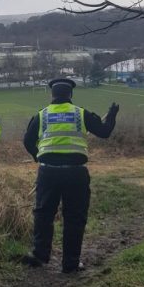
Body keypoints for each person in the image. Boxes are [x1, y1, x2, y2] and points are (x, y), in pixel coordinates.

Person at [22, 78, 119, 273]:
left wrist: (37, 156)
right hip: (76, 174)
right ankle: (70, 263)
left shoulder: (42, 115)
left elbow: (27, 141)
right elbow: (105, 132)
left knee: (43, 214)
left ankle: (40, 255)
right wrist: (112, 115)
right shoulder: (80, 114)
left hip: (48, 172)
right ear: (70, 95)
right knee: (75, 217)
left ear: (52, 95)